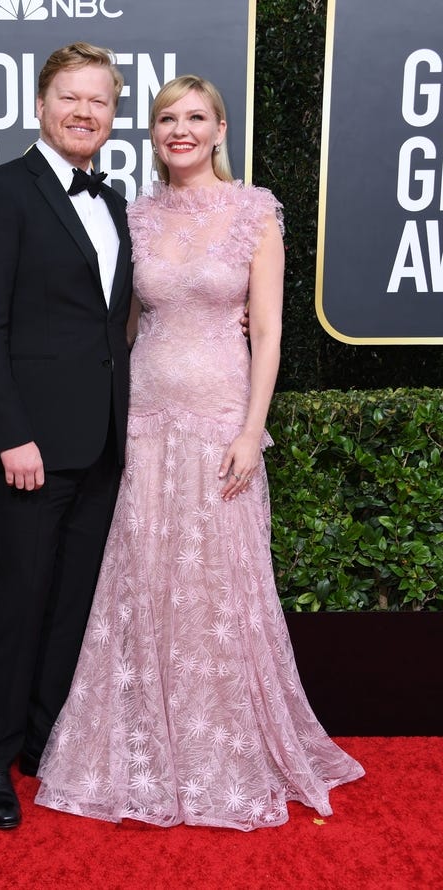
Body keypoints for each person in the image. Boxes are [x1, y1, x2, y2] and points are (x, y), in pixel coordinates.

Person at [35, 74, 365, 829]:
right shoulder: (135, 213)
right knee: (144, 581)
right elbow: (117, 326)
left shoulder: (255, 212)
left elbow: (272, 331)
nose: (178, 130)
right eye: (163, 119)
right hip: (144, 421)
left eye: (193, 118)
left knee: (223, 586)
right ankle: (150, 749)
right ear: (151, 134)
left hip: (220, 420)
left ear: (220, 129)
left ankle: (226, 748)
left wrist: (252, 431)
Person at [0, 43, 133, 830]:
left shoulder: (118, 199)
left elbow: (114, 320)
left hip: (101, 442)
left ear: (112, 115)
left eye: (99, 101)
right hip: (29, 447)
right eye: (70, 97)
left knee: (71, 607)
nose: (84, 112)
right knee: (17, 605)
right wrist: (9, 435)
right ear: (40, 105)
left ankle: (41, 740)